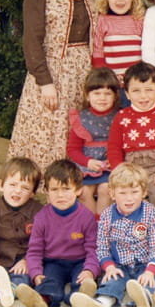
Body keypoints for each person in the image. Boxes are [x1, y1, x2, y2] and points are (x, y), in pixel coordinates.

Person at [8, 0, 99, 173]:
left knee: (78, 133)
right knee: (48, 132)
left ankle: (75, 188)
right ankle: (38, 189)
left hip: (85, 73)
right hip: (51, 72)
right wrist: (44, 81)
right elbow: (32, 40)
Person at [70, 163, 155, 307]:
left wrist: (150, 271)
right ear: (112, 194)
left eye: (134, 192)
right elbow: (102, 248)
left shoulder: (150, 213)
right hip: (119, 265)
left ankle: (147, 301)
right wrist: (109, 267)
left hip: (145, 264)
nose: (129, 198)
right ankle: (102, 304)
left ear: (144, 192)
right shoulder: (107, 216)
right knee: (111, 282)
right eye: (122, 193)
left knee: (149, 283)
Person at [15, 160, 99, 307]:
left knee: (82, 280)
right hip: (53, 262)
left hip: (79, 262)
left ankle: (80, 299)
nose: (60, 195)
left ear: (78, 190)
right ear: (47, 191)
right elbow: (34, 250)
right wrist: (36, 273)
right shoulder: (41, 218)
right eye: (54, 189)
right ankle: (42, 300)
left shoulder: (86, 217)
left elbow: (93, 249)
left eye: (66, 189)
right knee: (49, 281)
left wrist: (90, 270)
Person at [0, 158, 42, 307]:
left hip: (23, 261)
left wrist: (27, 260)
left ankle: (10, 291)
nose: (17, 191)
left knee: (22, 279)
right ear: (1, 185)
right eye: (12, 184)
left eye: (25, 187)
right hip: (0, 260)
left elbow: (43, 241)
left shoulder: (39, 212)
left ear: (33, 192)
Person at [107, 62, 155, 205]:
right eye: (136, 91)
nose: (143, 96)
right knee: (125, 195)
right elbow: (114, 147)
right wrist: (120, 170)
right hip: (130, 168)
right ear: (127, 94)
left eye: (149, 90)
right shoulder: (121, 116)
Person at [67, 67, 120, 215]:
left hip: (110, 166)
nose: (102, 98)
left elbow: (124, 145)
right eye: (97, 93)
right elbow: (72, 149)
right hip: (87, 165)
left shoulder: (120, 116)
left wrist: (114, 160)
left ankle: (103, 224)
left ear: (115, 96)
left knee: (106, 189)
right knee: (83, 191)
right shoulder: (82, 118)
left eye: (107, 94)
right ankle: (91, 224)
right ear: (87, 95)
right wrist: (88, 162)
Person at [91, 0, 145, 94]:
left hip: (137, 84)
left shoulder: (139, 19)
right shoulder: (102, 20)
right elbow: (98, 53)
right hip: (112, 84)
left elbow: (146, 51)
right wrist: (106, 79)